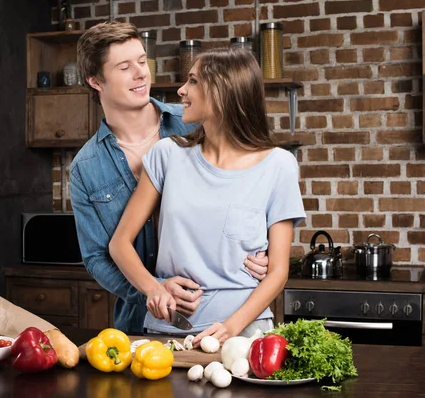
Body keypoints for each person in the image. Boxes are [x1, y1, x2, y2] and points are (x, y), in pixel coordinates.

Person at [69, 21, 270, 334]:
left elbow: (252, 186)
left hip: (226, 309)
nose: (141, 73)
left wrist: (265, 249)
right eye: (124, 67)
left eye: (141, 61)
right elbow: (96, 257)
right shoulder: (86, 167)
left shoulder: (195, 123)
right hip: (143, 322)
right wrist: (154, 290)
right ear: (95, 80)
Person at [108, 48, 306, 344]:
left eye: (193, 81)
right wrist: (154, 289)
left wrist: (230, 327)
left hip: (244, 334)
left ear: (222, 91)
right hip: (168, 331)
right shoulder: (167, 155)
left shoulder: (279, 165)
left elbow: (278, 271)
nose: (181, 90)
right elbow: (119, 243)